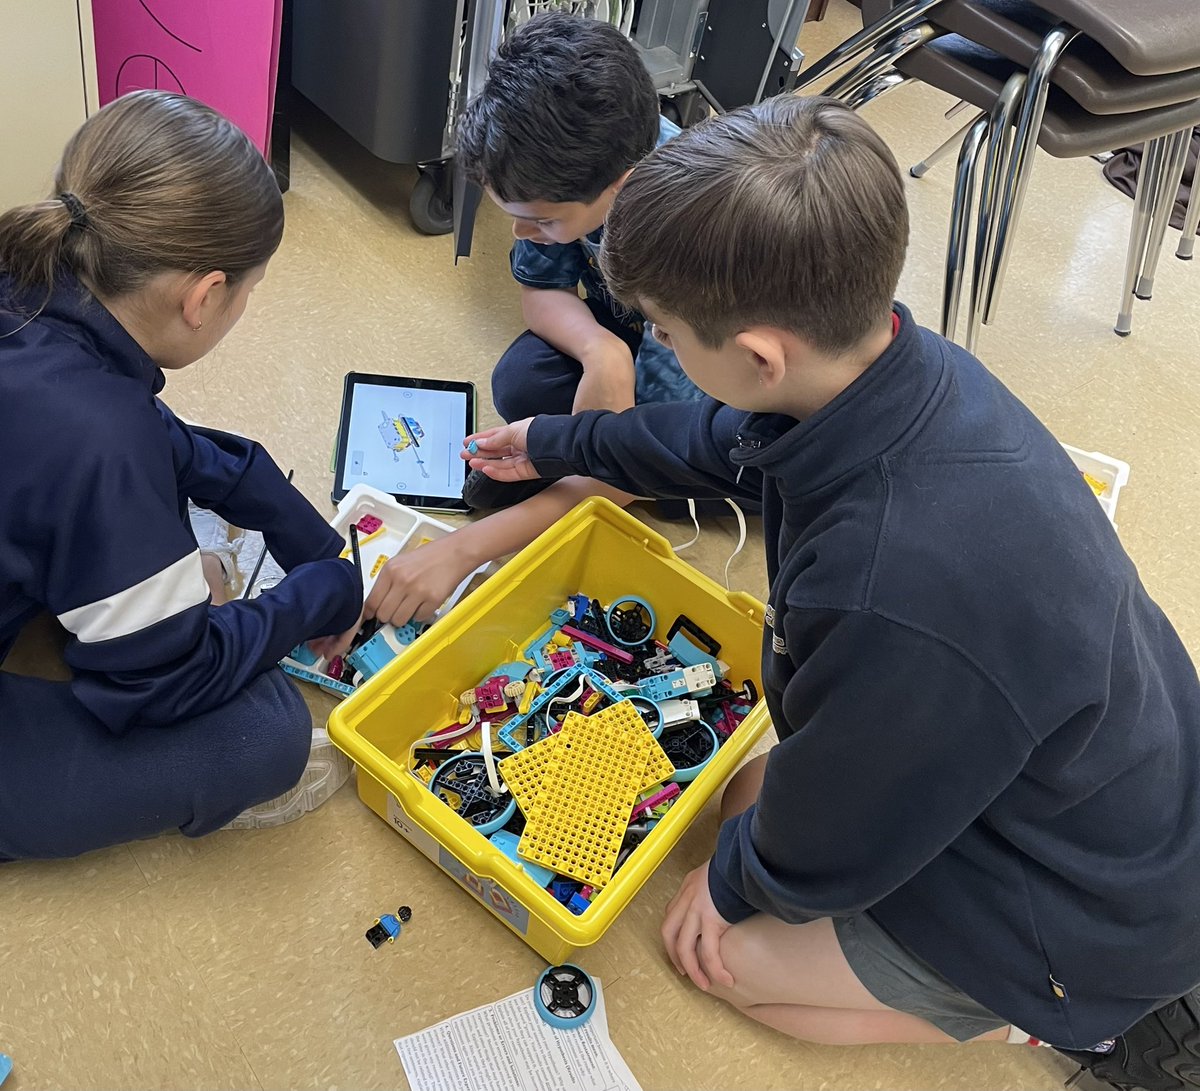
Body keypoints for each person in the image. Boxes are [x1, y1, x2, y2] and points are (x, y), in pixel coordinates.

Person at [462, 95, 1200, 1087]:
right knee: (739, 801)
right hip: (1077, 767)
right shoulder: (893, 366)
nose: (663, 351)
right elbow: (714, 443)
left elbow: (847, 812)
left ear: (760, 355)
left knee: (724, 956)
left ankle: (1052, 1022)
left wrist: (732, 887)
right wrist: (557, 441)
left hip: (1091, 904)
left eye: (669, 334)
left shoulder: (886, 583)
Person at [0, 91, 362, 859]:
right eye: (247, 293)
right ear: (204, 296)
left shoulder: (28, 274)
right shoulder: (100, 438)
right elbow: (166, 684)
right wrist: (306, 601)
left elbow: (161, 441)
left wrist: (302, 530)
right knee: (264, 734)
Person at [454, 12, 702, 511]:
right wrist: (600, 350)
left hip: (711, 358)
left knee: (681, 472)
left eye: (541, 222)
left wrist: (471, 545)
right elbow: (542, 293)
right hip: (641, 324)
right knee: (521, 382)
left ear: (621, 184)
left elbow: (646, 449)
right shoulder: (566, 169)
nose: (522, 232)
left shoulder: (689, 232)